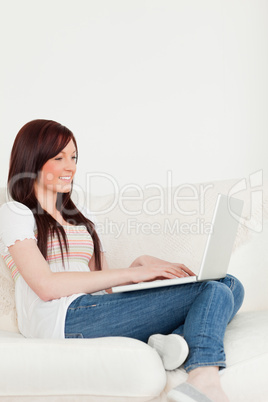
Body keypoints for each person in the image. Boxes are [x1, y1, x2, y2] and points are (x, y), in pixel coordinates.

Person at [0, 119, 244, 402]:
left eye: (74, 157)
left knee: (229, 283)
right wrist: (131, 276)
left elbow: (101, 287)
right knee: (211, 290)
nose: (71, 167)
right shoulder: (16, 212)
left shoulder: (78, 216)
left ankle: (167, 342)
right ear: (33, 160)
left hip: (91, 308)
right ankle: (203, 377)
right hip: (62, 320)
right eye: (59, 158)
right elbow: (46, 286)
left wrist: (139, 267)